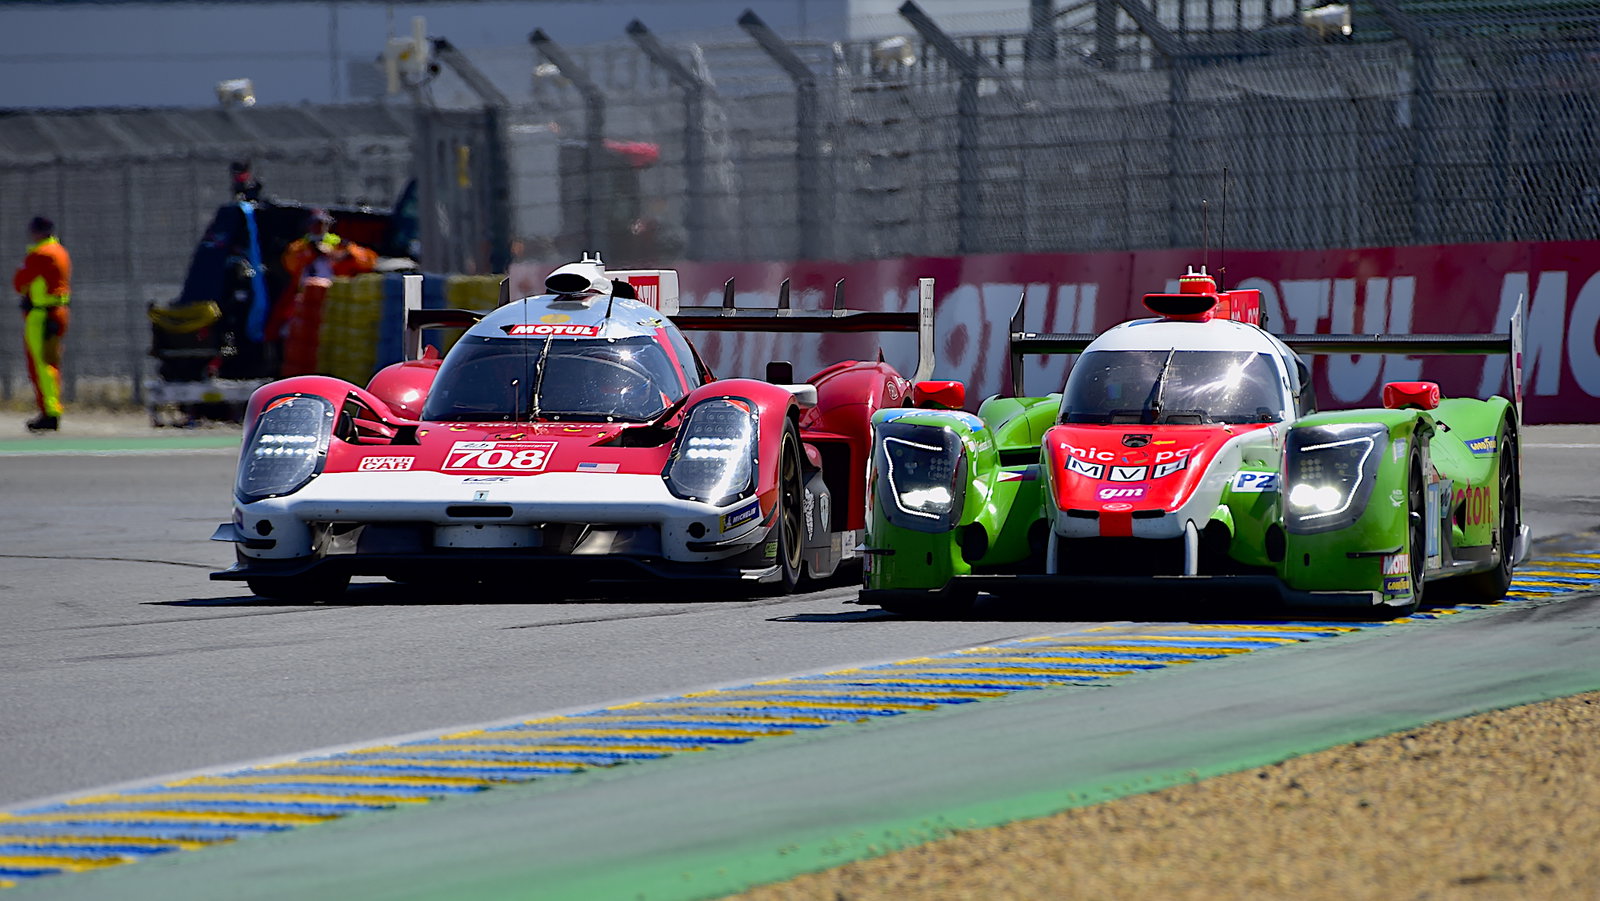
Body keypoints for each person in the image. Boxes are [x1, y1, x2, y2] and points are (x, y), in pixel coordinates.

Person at [266, 209, 377, 376]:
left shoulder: (340, 244)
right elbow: (290, 263)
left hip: (334, 299)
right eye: (315, 224)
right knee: (288, 331)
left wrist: (342, 254)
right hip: (304, 298)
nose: (318, 228)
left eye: (322, 224)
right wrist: (312, 251)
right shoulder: (300, 245)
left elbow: (367, 261)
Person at [12, 216, 71, 432]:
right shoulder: (60, 251)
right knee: (51, 361)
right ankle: (51, 409)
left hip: (42, 314)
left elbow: (19, 282)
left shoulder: (40, 253)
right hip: (59, 310)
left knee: (41, 364)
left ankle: (50, 412)